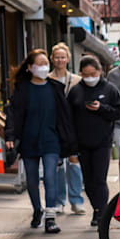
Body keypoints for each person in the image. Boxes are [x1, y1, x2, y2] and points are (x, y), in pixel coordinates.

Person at [4, 49, 77, 234]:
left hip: (51, 140)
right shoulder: (22, 89)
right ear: (30, 67)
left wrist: (70, 140)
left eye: (46, 64)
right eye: (40, 64)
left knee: (50, 176)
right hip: (29, 140)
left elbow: (65, 117)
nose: (44, 68)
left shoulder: (55, 88)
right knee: (32, 179)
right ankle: (37, 210)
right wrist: (10, 137)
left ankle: (51, 217)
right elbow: (12, 114)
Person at [67, 56, 120, 226]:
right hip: (82, 143)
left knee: (99, 179)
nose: (89, 78)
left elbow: (119, 112)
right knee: (89, 181)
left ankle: (101, 212)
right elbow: (68, 118)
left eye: (93, 74)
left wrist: (102, 108)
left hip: (103, 142)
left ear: (99, 71)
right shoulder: (75, 91)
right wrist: (71, 144)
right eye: (85, 75)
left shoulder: (110, 89)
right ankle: (98, 208)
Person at [48, 43, 85, 215]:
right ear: (52, 59)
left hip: (73, 127)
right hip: (54, 127)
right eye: (57, 57)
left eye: (63, 57)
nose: (60, 60)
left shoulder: (77, 80)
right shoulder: (47, 79)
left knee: (74, 162)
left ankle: (76, 200)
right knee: (57, 164)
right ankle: (59, 201)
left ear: (68, 59)